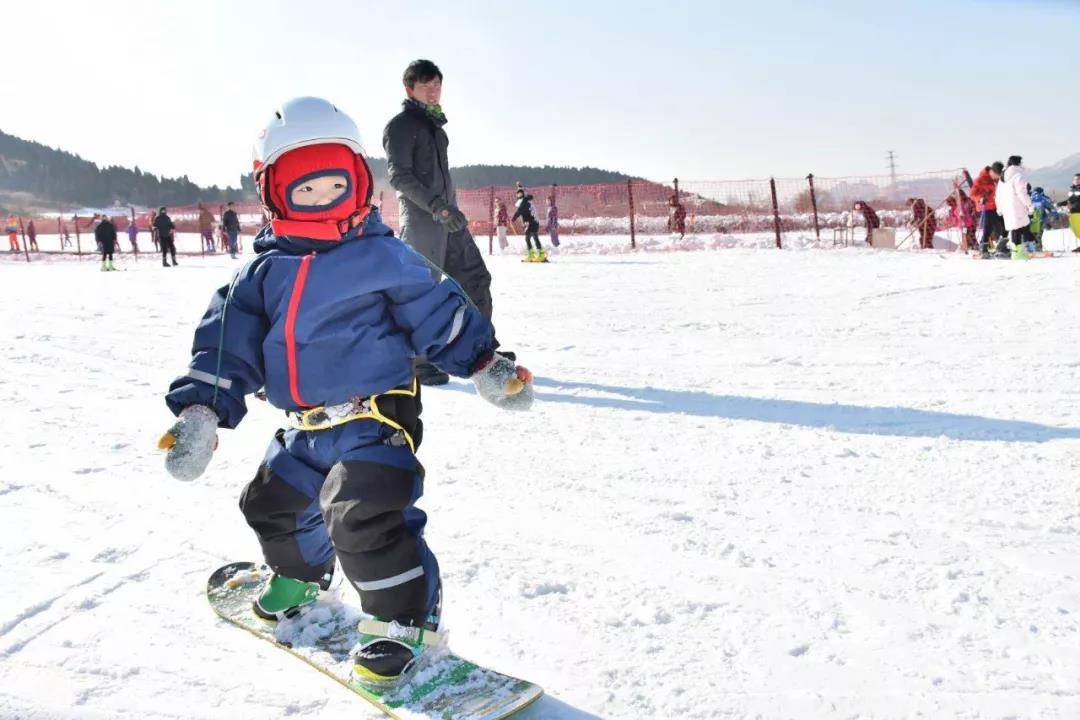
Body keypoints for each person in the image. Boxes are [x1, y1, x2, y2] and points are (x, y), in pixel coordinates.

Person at [157, 97, 534, 689]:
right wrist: (202, 410)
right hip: (301, 429)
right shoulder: (259, 276)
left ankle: (400, 622)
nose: (321, 199)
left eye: (334, 184)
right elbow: (226, 344)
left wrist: (485, 362)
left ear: (358, 183)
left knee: (363, 517)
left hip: (374, 422)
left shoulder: (384, 257)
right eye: (304, 190)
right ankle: (302, 578)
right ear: (273, 193)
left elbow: (440, 310)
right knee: (269, 504)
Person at [383, 59, 504, 386]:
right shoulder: (400, 126)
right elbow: (399, 176)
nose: (434, 91)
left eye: (437, 85)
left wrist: (449, 208)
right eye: (426, 86)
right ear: (410, 89)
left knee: (476, 278)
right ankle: (420, 363)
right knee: (423, 292)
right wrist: (437, 207)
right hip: (424, 221)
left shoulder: (435, 127)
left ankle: (482, 350)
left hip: (449, 217)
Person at [994, 155, 1035, 259]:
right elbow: (1022, 193)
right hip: (1017, 206)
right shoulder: (1018, 176)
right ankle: (1019, 252)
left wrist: (999, 208)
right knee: (1020, 227)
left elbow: (998, 195)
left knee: (1015, 228)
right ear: (1018, 163)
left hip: (1007, 207)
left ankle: (1019, 251)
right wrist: (1029, 205)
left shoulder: (1002, 179)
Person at [970, 165, 1004, 257]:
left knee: (1001, 226)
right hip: (985, 207)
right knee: (988, 227)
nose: (997, 178)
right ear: (992, 172)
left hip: (996, 207)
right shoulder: (980, 180)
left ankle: (997, 246)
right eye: (996, 176)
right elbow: (972, 194)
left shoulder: (996, 180)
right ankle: (983, 247)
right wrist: (980, 198)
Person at [512, 187, 545, 262]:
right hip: (529, 223)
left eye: (520, 193)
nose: (518, 195)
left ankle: (541, 255)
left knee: (535, 237)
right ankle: (531, 255)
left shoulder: (524, 203)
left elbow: (519, 211)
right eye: (517, 193)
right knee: (527, 239)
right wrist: (520, 187)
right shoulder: (525, 200)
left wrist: (513, 219)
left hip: (533, 222)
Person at [1028, 186, 1059, 252]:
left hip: (1029, 220)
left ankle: (1030, 248)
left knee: (1030, 234)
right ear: (1041, 192)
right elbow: (1051, 208)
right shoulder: (1043, 198)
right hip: (1040, 220)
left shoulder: (1029, 198)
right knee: (1039, 234)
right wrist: (1056, 215)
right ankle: (1038, 248)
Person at [1056, 173, 1080, 253]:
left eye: (1078, 179)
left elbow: (1075, 200)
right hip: (1073, 212)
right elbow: (1069, 200)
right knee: (1075, 230)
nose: (1076, 181)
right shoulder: (1072, 189)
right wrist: (1061, 203)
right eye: (1075, 179)